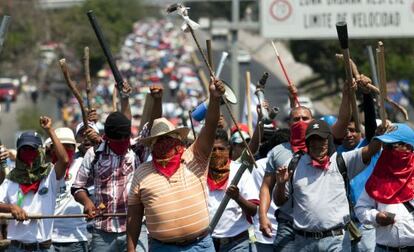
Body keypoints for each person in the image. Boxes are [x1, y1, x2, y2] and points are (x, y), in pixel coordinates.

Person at [126, 78, 225, 252]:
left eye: (169, 138)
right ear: (152, 145)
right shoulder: (142, 172)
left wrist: (215, 99)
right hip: (162, 247)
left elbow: (210, 126)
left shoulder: (195, 156)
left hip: (200, 245)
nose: (165, 143)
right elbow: (134, 218)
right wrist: (131, 249)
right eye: (159, 140)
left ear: (178, 139)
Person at [260, 79, 352, 251]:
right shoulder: (278, 152)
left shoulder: (325, 145)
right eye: (296, 119)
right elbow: (266, 186)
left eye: (305, 119)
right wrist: (262, 215)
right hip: (288, 224)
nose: (300, 122)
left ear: (313, 122)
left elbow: (343, 121)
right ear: (289, 124)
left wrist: (347, 93)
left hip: (323, 230)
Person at [71, 84, 162, 252]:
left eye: (125, 137)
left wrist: (157, 100)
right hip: (102, 232)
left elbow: (154, 127)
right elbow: (77, 187)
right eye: (117, 139)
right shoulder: (94, 154)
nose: (122, 141)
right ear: (107, 137)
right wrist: (87, 202)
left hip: (135, 228)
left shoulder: (137, 150)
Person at [274, 119, 384, 251]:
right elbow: (279, 201)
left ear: (329, 140)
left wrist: (380, 135)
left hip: (336, 241)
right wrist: (281, 184)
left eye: (321, 140)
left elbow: (370, 150)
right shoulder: (293, 165)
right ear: (307, 143)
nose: (317, 144)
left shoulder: (342, 161)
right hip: (303, 243)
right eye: (313, 140)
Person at [0, 117, 69, 252]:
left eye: (32, 150)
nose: (29, 154)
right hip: (16, 248)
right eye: (24, 150)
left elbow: (65, 160)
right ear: (19, 153)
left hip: (44, 247)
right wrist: (11, 207)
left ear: (41, 152)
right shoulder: (11, 179)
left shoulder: (50, 175)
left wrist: (50, 130)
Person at [355, 123, 414, 251]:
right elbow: (360, 209)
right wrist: (376, 217)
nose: (386, 151)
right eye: (385, 146)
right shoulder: (378, 176)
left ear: (408, 147)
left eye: (391, 146)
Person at [208, 129, 258, 252]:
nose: (217, 153)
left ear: (228, 149)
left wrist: (237, 197)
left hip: (236, 243)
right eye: (213, 149)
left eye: (221, 149)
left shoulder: (240, 172)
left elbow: (253, 210)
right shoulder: (200, 173)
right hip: (208, 243)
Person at [46, 127, 88, 252]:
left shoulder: (83, 163)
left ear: (75, 148)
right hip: (48, 239)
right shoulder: (44, 169)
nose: (65, 150)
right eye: (61, 146)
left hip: (76, 238)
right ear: (53, 148)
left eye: (70, 146)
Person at [252, 129, 290, 252]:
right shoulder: (258, 167)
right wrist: (262, 216)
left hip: (287, 230)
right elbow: (262, 192)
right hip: (266, 230)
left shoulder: (300, 162)